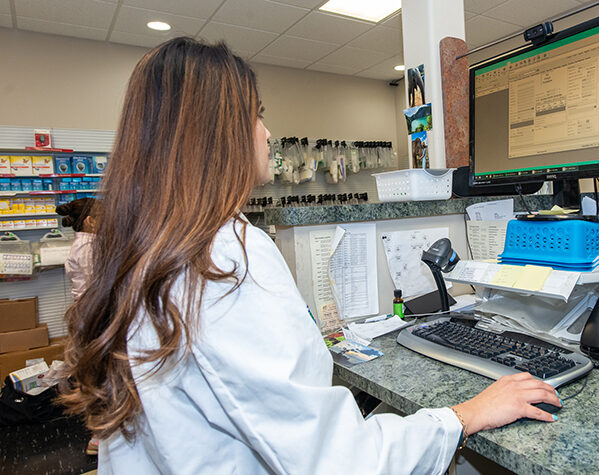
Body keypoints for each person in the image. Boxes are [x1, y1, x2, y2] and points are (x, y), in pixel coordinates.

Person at [58, 38, 562, 474]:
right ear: (216, 132)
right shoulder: (225, 257)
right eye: (256, 114)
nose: (268, 133)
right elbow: (339, 461)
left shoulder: (144, 249)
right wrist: (466, 414)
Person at [56, 197, 102, 456]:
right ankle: (98, 436)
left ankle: (99, 433)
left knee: (94, 373)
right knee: (99, 374)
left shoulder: (83, 245)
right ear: (90, 221)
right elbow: (100, 286)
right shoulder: (89, 248)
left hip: (86, 314)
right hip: (93, 316)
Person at [56, 198, 99, 300]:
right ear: (91, 221)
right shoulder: (86, 246)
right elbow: (95, 281)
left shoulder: (88, 243)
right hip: (90, 304)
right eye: (103, 217)